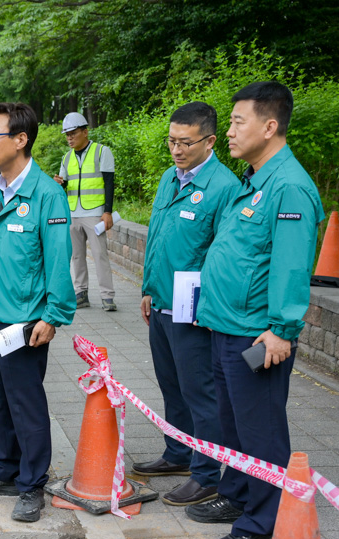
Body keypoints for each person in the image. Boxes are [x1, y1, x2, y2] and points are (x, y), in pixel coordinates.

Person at [186, 81, 323, 539]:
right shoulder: (254, 181)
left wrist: (283, 330)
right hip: (227, 324)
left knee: (260, 430)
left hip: (257, 333)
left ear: (269, 126)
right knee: (235, 424)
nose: (228, 131)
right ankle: (240, 492)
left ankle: (265, 521)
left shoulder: (288, 187)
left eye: (237, 122)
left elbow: (291, 266)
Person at [0, 102, 76, 522]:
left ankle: (31, 484)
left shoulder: (47, 195)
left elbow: (58, 260)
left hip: (26, 321)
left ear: (20, 140)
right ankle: (4, 470)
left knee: (25, 404)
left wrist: (53, 316)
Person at [133, 102, 239, 507]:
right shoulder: (169, 178)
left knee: (200, 393)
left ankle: (206, 474)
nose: (176, 150)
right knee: (171, 385)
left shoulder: (224, 187)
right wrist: (148, 288)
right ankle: (177, 452)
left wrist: (207, 308)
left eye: (185, 143)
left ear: (210, 141)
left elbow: (224, 255)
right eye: (171, 141)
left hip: (193, 310)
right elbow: (159, 236)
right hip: (161, 301)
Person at [55, 112, 116, 311]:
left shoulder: (101, 151)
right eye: (67, 135)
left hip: (95, 213)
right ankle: (81, 294)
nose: (69, 138)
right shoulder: (66, 158)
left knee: (100, 255)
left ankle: (107, 296)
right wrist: (60, 184)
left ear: (85, 132)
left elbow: (109, 183)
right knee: (77, 256)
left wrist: (107, 212)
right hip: (73, 213)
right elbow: (65, 185)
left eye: (73, 133)